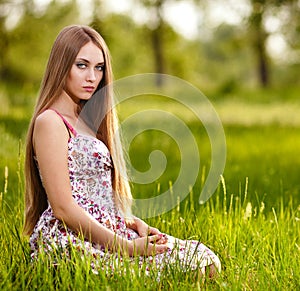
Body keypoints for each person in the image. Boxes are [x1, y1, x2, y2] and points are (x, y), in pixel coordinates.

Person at [23, 24, 221, 278]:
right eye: (81, 65)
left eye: (99, 67)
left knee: (204, 259)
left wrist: (130, 223)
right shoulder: (51, 121)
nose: (92, 77)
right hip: (69, 237)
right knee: (180, 271)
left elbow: (93, 196)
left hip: (106, 230)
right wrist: (126, 247)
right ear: (61, 65)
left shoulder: (88, 121)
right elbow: (63, 207)